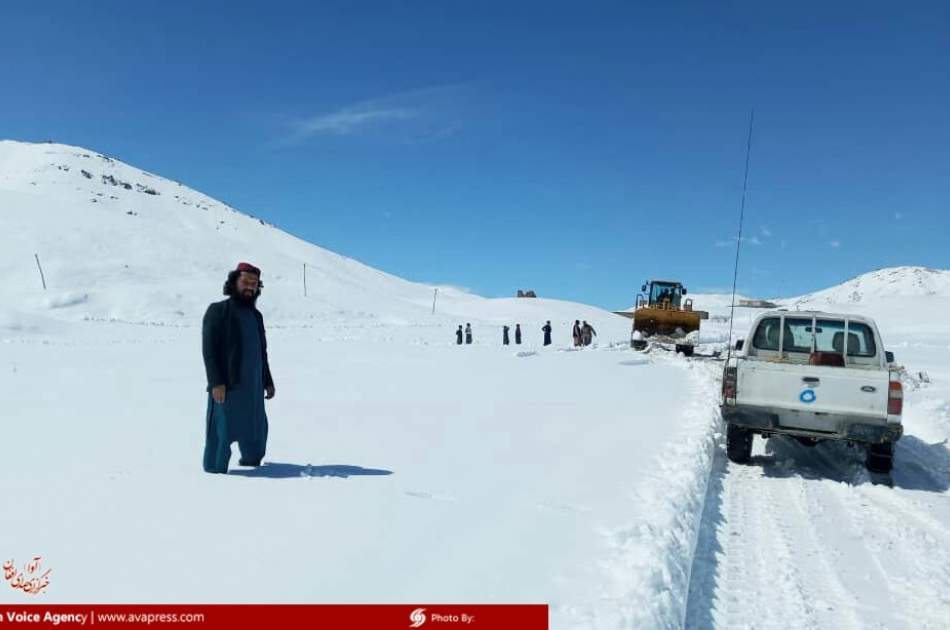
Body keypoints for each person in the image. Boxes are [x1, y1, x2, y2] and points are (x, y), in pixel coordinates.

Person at [202, 262, 275, 474]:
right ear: (234, 281)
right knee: (221, 430)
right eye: (245, 282)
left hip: (253, 388)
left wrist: (268, 381)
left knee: (255, 428)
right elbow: (209, 351)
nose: (249, 287)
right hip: (228, 387)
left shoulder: (256, 316)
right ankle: (216, 470)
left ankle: (253, 459)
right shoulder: (218, 311)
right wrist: (216, 382)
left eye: (254, 284)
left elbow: (262, 353)